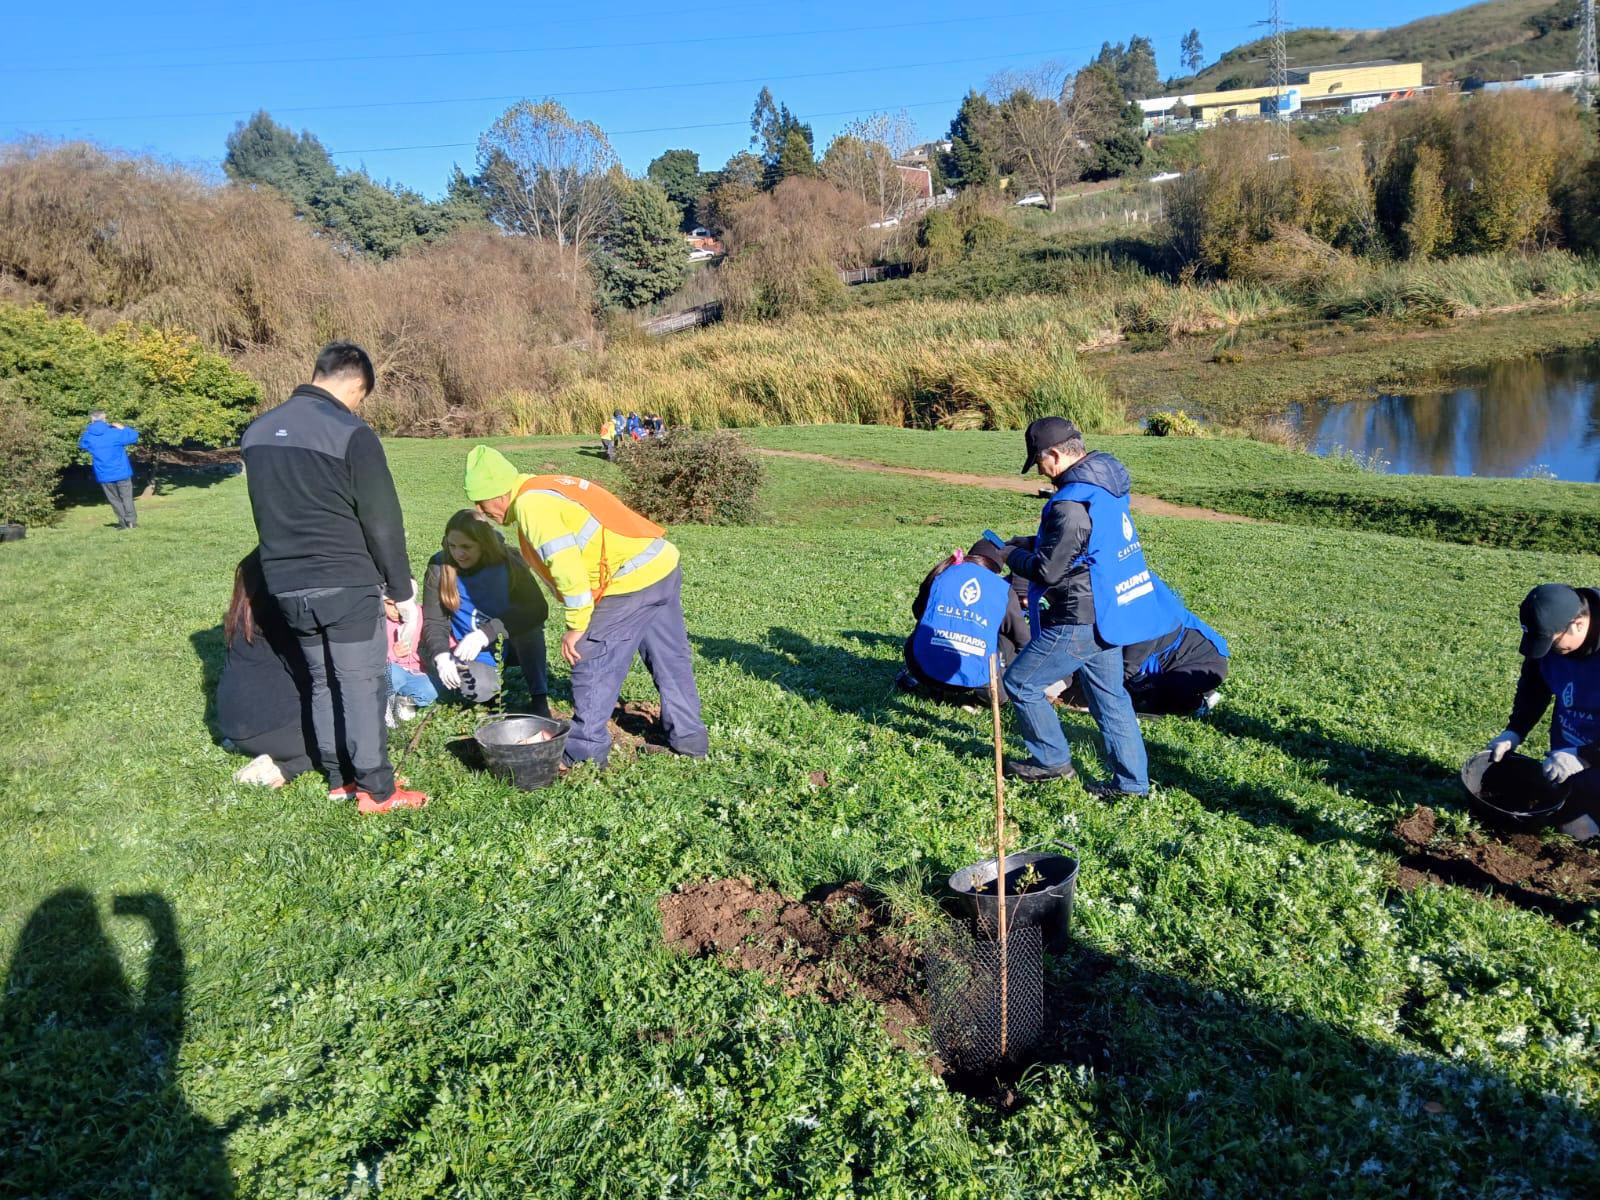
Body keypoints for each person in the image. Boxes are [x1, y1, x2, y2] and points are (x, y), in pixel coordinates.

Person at [240, 341, 428, 814]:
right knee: (362, 683)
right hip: (344, 580)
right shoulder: (350, 432)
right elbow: (383, 520)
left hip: (285, 581)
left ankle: (340, 778)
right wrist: (402, 592)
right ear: (357, 385)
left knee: (322, 680)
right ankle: (378, 791)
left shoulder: (257, 433)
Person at [463, 445, 708, 768]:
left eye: (480, 503)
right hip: (659, 564)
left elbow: (568, 570)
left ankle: (583, 754)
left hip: (630, 579)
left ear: (496, 493)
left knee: (590, 659)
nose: (482, 512)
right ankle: (689, 739)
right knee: (670, 657)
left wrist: (577, 627)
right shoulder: (544, 487)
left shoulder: (532, 506)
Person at [999, 416, 1187, 795]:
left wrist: (1008, 553)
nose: (1040, 470)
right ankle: (1132, 784)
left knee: (1020, 683)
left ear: (1054, 454)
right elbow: (1081, 546)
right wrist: (1032, 543)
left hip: (1079, 615)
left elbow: (1047, 571)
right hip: (1110, 609)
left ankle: (1051, 762)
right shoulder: (1104, 486)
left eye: (1038, 461)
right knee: (1109, 697)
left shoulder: (1068, 506)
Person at [1463, 583, 1600, 842]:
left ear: (1579, 623)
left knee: (1588, 831)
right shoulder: (1551, 636)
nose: (1549, 650)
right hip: (1570, 748)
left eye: (1553, 642)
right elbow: (1534, 686)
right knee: (1571, 825)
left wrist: (1585, 756)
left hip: (1589, 753)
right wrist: (1515, 730)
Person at [420, 510, 551, 716]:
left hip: (511, 641)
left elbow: (537, 608)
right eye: (452, 546)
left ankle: (539, 698)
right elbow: (434, 620)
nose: (458, 554)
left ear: (483, 543)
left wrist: (488, 632)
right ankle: (490, 690)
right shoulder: (439, 567)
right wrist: (442, 656)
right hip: (470, 651)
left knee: (531, 629)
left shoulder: (508, 562)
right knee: (478, 690)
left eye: (466, 547)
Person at [217, 550, 313, 789]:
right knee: (352, 734)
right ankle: (281, 769)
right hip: (273, 730)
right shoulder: (284, 616)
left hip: (232, 725)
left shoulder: (242, 616)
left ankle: (247, 747)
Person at [898, 540, 1031, 706]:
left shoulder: (943, 573)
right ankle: (992, 690)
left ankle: (913, 674)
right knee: (1009, 639)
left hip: (920, 667)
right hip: (971, 680)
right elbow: (1023, 639)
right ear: (997, 567)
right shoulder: (1002, 589)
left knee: (927, 624)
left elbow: (918, 611)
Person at [1059, 592, 1230, 716]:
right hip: (1164, 658)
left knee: (1144, 700)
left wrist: (1082, 698)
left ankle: (1199, 703)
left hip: (1206, 663)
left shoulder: (1143, 619)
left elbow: (1124, 669)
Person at [78, 410, 140, 530]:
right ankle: (131, 522)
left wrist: (88, 431)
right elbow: (134, 437)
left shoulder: (88, 435)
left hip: (104, 473)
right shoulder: (114, 432)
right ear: (104, 418)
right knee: (127, 497)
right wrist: (123, 427)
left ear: (92, 420)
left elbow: (83, 445)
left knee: (114, 499)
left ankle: (123, 523)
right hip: (121, 471)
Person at [385, 588, 437, 726]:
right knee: (393, 674)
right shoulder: (376, 621)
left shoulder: (421, 614)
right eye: (390, 604)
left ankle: (403, 699)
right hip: (389, 670)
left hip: (415, 672)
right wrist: (392, 653)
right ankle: (382, 703)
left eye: (402, 604)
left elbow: (439, 633)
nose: (397, 610)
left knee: (430, 692)